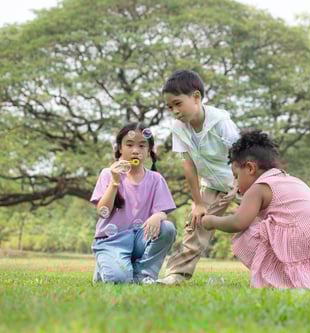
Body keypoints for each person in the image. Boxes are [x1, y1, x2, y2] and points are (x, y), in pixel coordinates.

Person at [199, 130, 310, 289]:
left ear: (250, 168)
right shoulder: (287, 178)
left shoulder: (258, 188)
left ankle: (282, 278)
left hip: (304, 233)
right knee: (262, 224)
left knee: (245, 235)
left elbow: (238, 222)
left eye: (236, 177)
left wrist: (211, 221)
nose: (235, 185)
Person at [157, 70, 240, 285]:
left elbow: (242, 155)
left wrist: (240, 186)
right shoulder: (179, 129)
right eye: (170, 107)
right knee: (196, 224)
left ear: (196, 97)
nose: (174, 111)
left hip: (241, 182)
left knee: (266, 222)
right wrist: (198, 202)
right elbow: (189, 166)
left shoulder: (221, 122)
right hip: (211, 185)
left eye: (178, 103)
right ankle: (178, 274)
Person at [90, 123, 177, 284]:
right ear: (120, 149)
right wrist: (115, 182)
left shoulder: (156, 179)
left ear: (149, 151)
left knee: (167, 228)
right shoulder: (108, 174)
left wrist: (158, 215)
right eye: (129, 145)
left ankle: (143, 275)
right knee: (119, 280)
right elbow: (103, 211)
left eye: (142, 146)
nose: (135, 150)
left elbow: (163, 211)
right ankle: (106, 265)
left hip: (139, 238)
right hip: (112, 240)